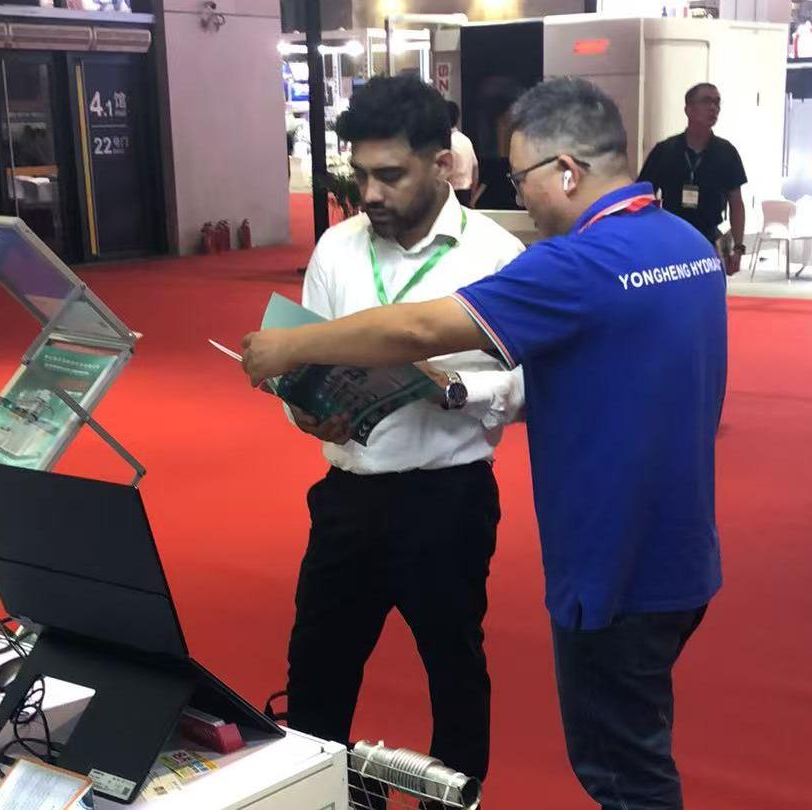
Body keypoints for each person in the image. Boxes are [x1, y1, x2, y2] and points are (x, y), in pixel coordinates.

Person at [242, 77, 725, 810]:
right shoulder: (686, 245)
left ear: (567, 171)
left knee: (618, 770)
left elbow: (418, 329)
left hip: (601, 554)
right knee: (320, 669)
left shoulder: (570, 264)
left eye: (522, 177)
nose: (519, 194)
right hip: (675, 549)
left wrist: (293, 345)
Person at [277, 75, 525, 792]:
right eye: (361, 176)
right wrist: (306, 411)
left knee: (454, 669)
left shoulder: (496, 256)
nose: (371, 194)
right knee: (315, 671)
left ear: (442, 164)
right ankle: (323, 801)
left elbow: (530, 385)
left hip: (448, 499)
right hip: (347, 496)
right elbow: (305, 366)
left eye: (390, 175)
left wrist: (454, 388)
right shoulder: (336, 249)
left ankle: (453, 803)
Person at [638, 82, 747, 274]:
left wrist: (738, 248)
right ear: (688, 109)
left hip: (709, 240)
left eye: (717, 102)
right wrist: (647, 237)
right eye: (706, 101)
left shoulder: (726, 152)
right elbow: (642, 197)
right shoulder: (665, 150)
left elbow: (736, 202)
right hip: (671, 240)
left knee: (709, 291)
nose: (713, 107)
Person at [447, 101, 479, 206]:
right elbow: (475, 169)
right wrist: (472, 197)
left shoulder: (446, 142)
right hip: (466, 194)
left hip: (450, 195)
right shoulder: (466, 140)